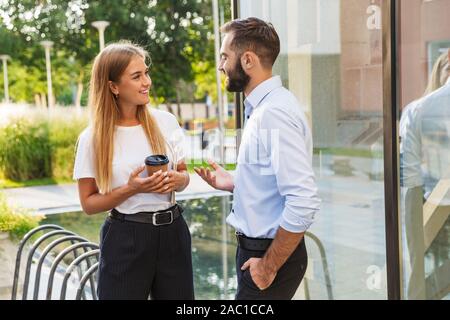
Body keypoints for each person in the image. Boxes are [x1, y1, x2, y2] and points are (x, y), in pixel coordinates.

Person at [195, 17, 321, 300]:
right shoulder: (264, 107)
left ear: (248, 60)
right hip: (259, 251)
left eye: (225, 56)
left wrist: (267, 266)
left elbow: (303, 199)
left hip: (268, 255)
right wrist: (237, 182)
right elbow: (272, 180)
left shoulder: (272, 113)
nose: (221, 65)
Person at [73, 42, 193, 300]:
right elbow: (89, 204)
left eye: (146, 73)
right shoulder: (92, 138)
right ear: (113, 87)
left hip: (173, 233)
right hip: (125, 238)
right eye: (136, 76)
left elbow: (184, 175)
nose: (146, 82)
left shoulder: (166, 122)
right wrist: (131, 189)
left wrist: (178, 180)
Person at [400, 49, 450, 299]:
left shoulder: (418, 109)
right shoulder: (423, 109)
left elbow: (408, 175)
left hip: (429, 196)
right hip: (430, 199)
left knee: (419, 269)